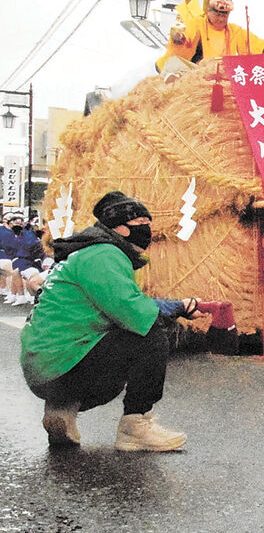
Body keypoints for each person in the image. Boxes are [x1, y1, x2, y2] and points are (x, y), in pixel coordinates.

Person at [20, 191, 215, 450]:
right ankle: (136, 425)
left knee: (123, 331)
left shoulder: (85, 253)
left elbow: (122, 303)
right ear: (121, 229)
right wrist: (177, 307)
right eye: (141, 225)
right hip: (61, 361)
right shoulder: (104, 254)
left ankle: (61, 409)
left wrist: (177, 307)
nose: (148, 230)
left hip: (44, 366)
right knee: (149, 335)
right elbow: (134, 312)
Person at [156, 0, 264, 73]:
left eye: (224, 15)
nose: (220, 18)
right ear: (209, 11)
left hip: (220, 74)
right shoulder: (197, 23)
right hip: (193, 70)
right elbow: (187, 36)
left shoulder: (234, 30)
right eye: (217, 14)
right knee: (174, 63)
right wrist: (179, 38)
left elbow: (252, 44)